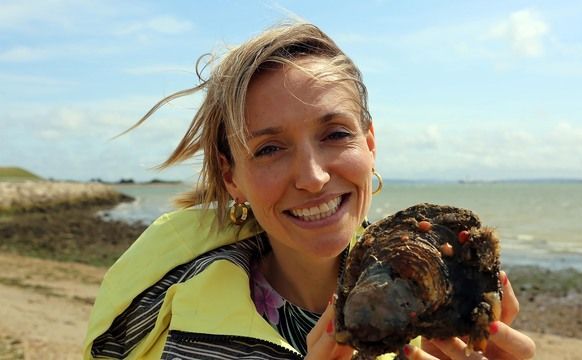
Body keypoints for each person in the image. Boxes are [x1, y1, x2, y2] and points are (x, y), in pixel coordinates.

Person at [83, 22, 535, 359]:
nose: (313, 177)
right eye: (269, 148)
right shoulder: (165, 298)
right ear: (230, 176)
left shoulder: (432, 325)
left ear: (370, 144)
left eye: (336, 134)